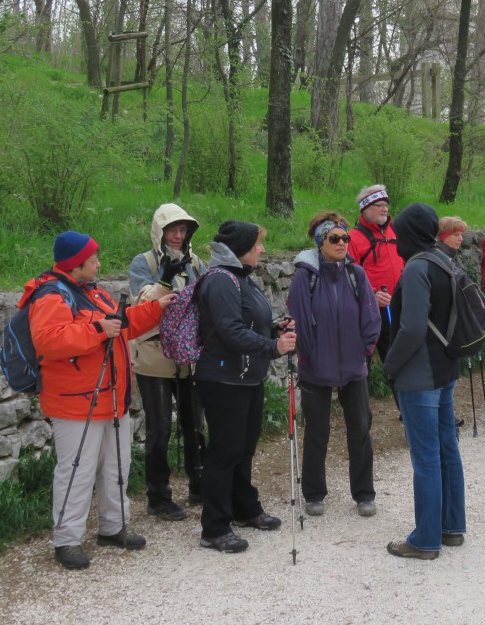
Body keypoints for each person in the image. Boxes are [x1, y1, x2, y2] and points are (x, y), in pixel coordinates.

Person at [29, 231, 172, 569]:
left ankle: (113, 526)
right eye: (93, 259)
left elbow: (123, 325)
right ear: (76, 263)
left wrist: (157, 308)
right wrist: (97, 331)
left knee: (116, 465)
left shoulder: (92, 291)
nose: (99, 264)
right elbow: (48, 340)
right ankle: (67, 540)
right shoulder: (51, 295)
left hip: (110, 397)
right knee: (76, 471)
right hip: (75, 402)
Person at [195, 221, 297, 553]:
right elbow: (230, 330)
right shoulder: (221, 281)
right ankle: (214, 527)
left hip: (246, 377)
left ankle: (243, 507)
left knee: (243, 449)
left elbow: (249, 322)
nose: (262, 250)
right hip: (223, 379)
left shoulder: (240, 277)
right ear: (241, 250)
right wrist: (273, 346)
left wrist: (274, 328)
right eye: (257, 245)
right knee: (224, 452)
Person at [383, 203, 466, 560]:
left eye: (398, 233)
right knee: (447, 450)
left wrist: (390, 365)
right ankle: (451, 527)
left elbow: (413, 328)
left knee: (427, 457)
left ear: (409, 233)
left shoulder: (417, 267)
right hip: (446, 370)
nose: (395, 239)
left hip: (420, 375)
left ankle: (426, 540)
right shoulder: (444, 260)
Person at [287, 212, 382, 519]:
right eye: (334, 239)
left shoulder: (356, 274)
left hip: (354, 368)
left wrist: (365, 350)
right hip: (316, 368)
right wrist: (310, 356)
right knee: (317, 432)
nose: (342, 243)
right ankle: (314, 494)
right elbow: (299, 321)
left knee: (360, 430)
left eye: (345, 238)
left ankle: (364, 494)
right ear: (320, 242)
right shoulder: (305, 277)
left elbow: (370, 316)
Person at [128, 204, 207, 523]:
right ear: (159, 232)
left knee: (195, 425)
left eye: (183, 229)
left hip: (188, 357)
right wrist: (164, 279)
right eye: (172, 229)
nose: (178, 235)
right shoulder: (144, 263)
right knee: (159, 429)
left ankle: (199, 485)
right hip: (154, 356)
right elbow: (140, 303)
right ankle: (158, 496)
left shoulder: (197, 263)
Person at [348, 185, 404, 366]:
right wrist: (372, 294)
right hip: (368, 309)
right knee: (363, 363)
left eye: (386, 205)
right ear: (365, 209)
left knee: (397, 362)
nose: (385, 209)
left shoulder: (396, 231)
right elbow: (349, 276)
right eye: (379, 205)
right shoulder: (353, 239)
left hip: (396, 305)